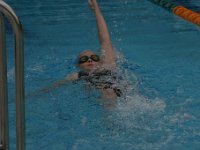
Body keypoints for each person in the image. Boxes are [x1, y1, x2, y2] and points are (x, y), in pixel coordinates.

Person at [39, 0, 122, 100]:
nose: (90, 60)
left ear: (99, 60)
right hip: (101, 97)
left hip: (118, 92)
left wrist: (96, 10)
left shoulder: (107, 65)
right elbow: (53, 87)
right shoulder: (77, 76)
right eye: (84, 59)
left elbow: (105, 41)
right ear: (78, 65)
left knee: (108, 92)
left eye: (94, 57)